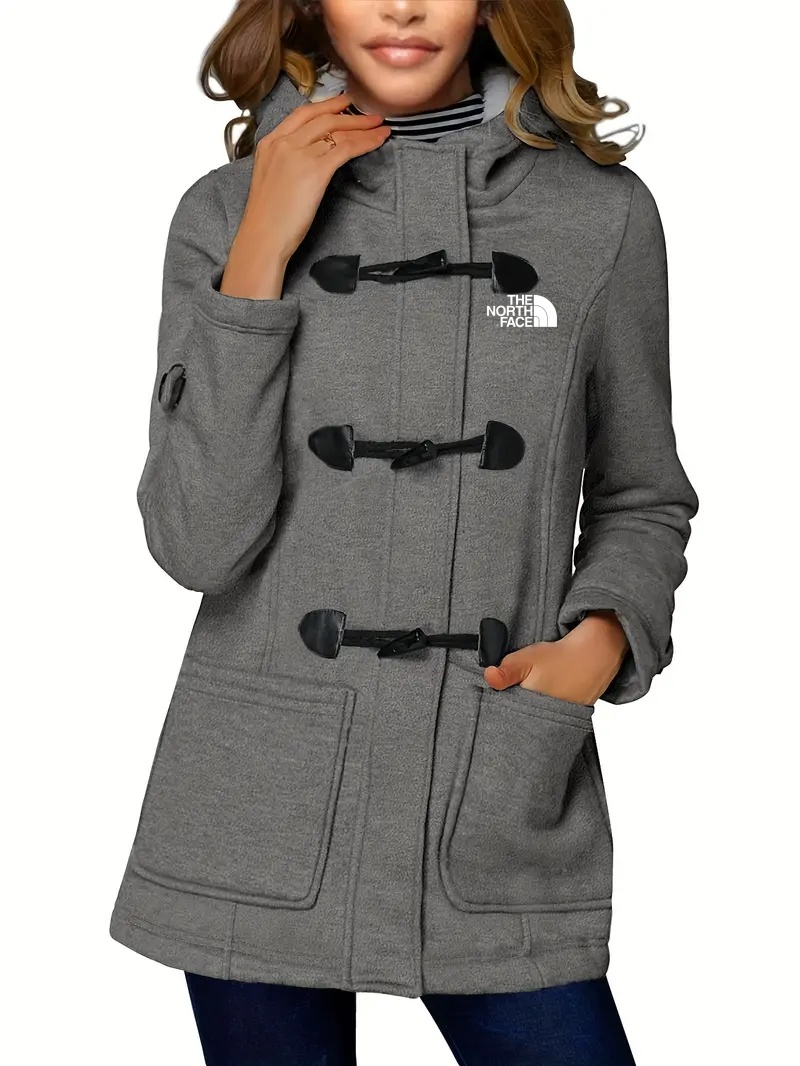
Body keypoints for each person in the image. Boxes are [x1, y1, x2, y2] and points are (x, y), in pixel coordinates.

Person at [108, 1, 699, 1062]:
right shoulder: (222, 212)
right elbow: (196, 543)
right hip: (262, 799)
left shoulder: (601, 214)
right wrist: (262, 249)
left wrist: (602, 641)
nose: (402, 6)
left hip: (495, 781)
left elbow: (642, 492)